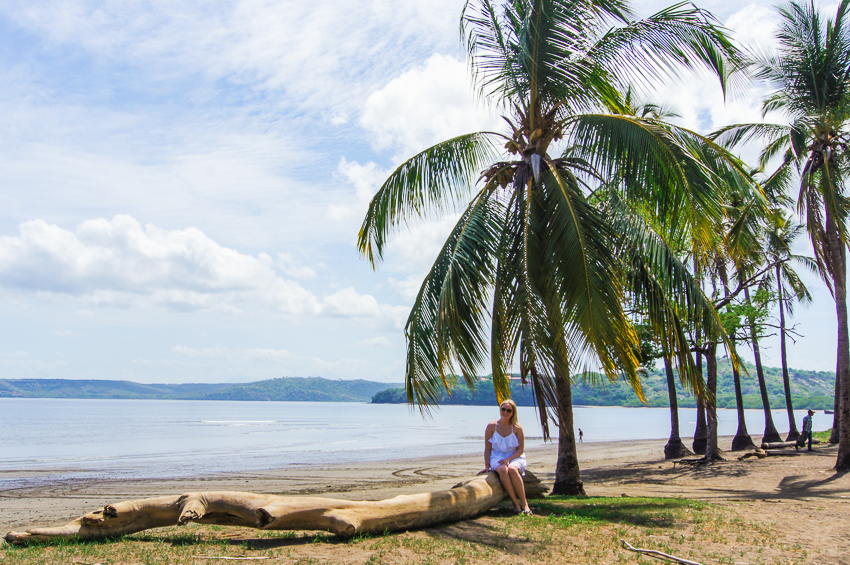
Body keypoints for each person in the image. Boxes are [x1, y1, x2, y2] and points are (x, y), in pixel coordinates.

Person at [483, 399, 532, 515]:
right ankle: (515, 504)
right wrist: (487, 465)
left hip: (514, 456)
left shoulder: (517, 428)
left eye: (508, 410)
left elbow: (520, 450)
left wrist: (508, 460)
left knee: (512, 469)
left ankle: (525, 504)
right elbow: (488, 449)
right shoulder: (491, 426)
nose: (505, 412)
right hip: (496, 456)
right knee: (503, 470)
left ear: (513, 412)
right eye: (503, 409)